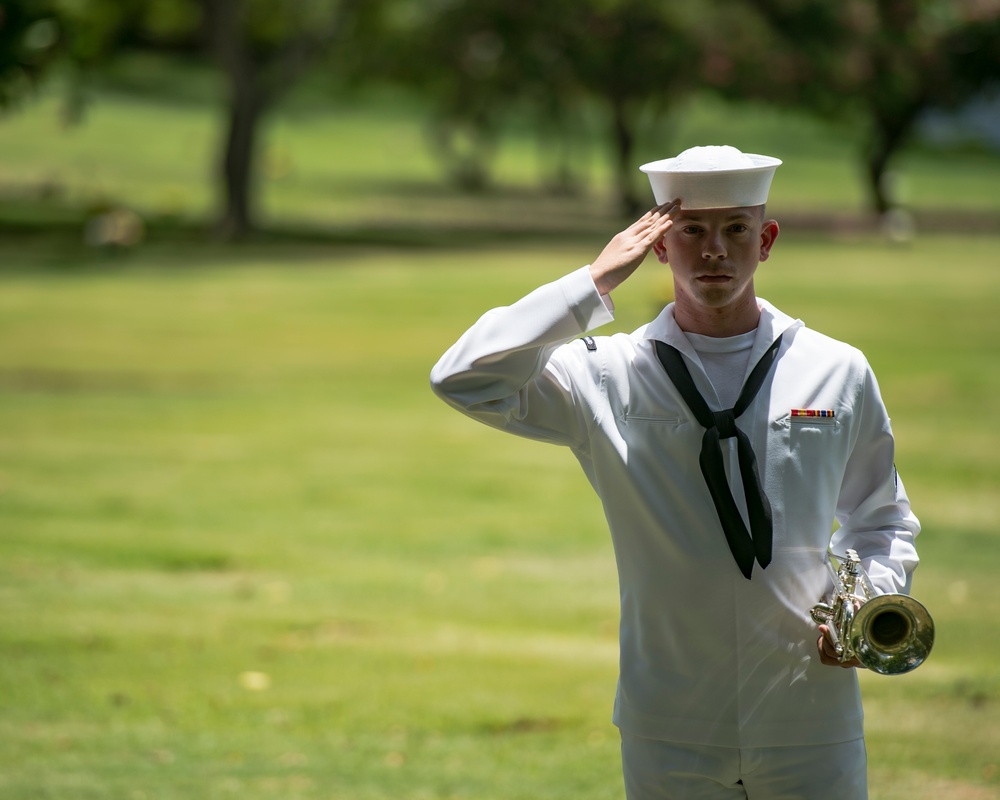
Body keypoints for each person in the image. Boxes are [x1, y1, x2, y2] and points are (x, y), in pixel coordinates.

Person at [429, 145, 920, 799]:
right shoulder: (607, 372)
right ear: (659, 247)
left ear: (766, 239)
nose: (713, 249)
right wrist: (592, 282)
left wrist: (864, 605)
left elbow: (881, 517)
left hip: (810, 711)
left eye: (735, 229)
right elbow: (463, 378)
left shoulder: (837, 369)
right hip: (670, 717)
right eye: (690, 231)